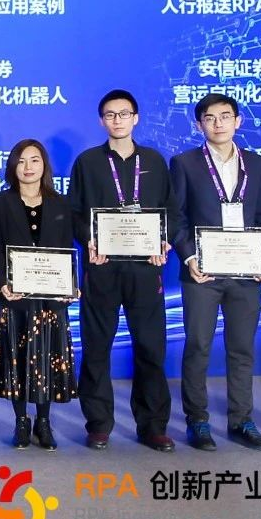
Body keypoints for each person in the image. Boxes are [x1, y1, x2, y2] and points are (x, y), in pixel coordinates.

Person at [69, 89, 178, 452]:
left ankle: (153, 426)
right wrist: (89, 241)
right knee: (96, 347)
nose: (117, 120)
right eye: (110, 115)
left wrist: (163, 241)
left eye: (124, 114)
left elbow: (170, 211)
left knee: (150, 348)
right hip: (103, 268)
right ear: (102, 121)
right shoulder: (87, 162)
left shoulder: (155, 161)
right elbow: (75, 213)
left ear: (136, 118)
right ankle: (98, 424)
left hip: (146, 269)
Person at [170, 93, 261, 451]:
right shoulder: (184, 163)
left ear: (238, 121)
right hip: (202, 273)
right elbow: (177, 217)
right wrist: (189, 257)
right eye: (210, 118)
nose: (218, 124)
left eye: (225, 116)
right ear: (199, 124)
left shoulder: (257, 164)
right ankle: (197, 420)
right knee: (198, 346)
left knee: (242, 348)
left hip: (246, 272)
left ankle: (241, 420)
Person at [0, 139, 77, 451]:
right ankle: (21, 421)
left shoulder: (61, 204)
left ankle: (44, 421)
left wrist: (69, 285)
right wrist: (3, 282)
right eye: (21, 161)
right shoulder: (0, 202)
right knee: (17, 358)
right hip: (15, 296)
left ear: (44, 165)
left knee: (46, 359)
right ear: (13, 166)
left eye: (34, 160)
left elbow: (66, 249)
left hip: (50, 297)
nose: (28, 167)